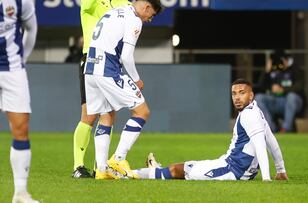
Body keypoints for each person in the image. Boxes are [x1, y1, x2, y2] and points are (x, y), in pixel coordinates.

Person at [132, 79, 288, 181]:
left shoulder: (248, 115)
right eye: (234, 93)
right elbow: (271, 140)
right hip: (231, 165)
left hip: (231, 170)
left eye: (242, 93)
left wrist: (266, 178)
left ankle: (130, 174)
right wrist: (280, 170)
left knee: (176, 171)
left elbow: (261, 145)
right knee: (186, 165)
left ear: (251, 95)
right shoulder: (256, 110)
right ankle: (154, 169)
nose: (237, 97)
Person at [83, 0, 162, 179]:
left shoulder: (113, 12)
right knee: (142, 111)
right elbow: (126, 56)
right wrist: (136, 79)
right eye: (152, 15)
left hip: (91, 68)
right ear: (147, 7)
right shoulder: (134, 19)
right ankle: (119, 158)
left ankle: (102, 170)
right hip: (107, 68)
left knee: (107, 115)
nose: (150, 19)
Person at [72, 0, 131, 178]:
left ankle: (101, 166)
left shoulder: (125, 4)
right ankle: (78, 166)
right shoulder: (91, 2)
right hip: (91, 57)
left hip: (112, 61)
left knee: (109, 113)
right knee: (88, 115)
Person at [0, 0, 38, 202]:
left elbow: (31, 29)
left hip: (13, 71)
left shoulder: (21, 2)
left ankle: (20, 193)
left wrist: (23, 60)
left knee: (21, 128)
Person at [255, 50, 304, 133]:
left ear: (286, 60)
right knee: (258, 98)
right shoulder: (272, 70)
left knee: (291, 96)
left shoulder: (295, 69)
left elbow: (299, 86)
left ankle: (286, 128)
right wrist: (266, 72)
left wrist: (283, 89)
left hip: (292, 102)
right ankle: (270, 129)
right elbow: (261, 87)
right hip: (276, 101)